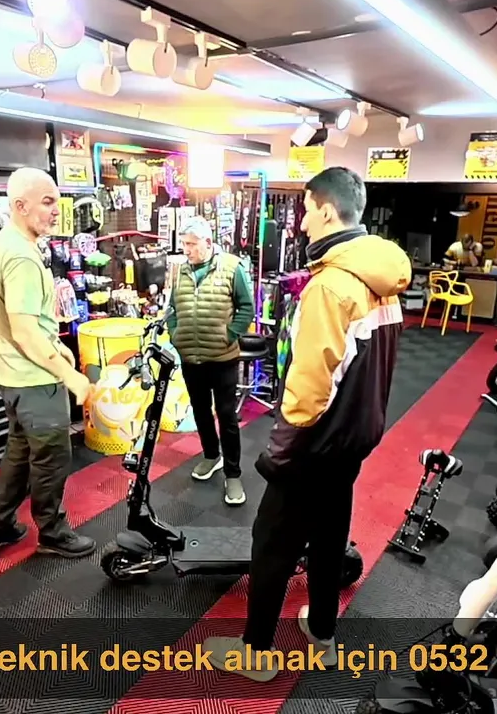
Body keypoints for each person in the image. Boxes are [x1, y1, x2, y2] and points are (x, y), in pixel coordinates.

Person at [204, 167, 411, 681]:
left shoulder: (331, 287)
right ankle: (322, 630)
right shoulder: (384, 281)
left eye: (305, 210)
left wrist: (281, 448)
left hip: (315, 443)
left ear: (327, 211)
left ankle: (256, 654)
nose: (299, 223)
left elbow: (310, 387)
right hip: (355, 437)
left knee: (272, 542)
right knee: (330, 533)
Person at [0, 167, 96, 559]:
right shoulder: (21, 256)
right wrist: (71, 377)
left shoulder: (6, 242)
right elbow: (26, 332)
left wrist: (55, 345)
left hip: (10, 373)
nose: (56, 210)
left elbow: (24, 321)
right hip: (33, 378)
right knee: (51, 458)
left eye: (56, 201)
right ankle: (52, 533)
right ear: (20, 205)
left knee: (20, 452)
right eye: (47, 202)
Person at [166, 217, 256, 505]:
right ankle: (211, 455)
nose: (186, 250)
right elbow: (172, 309)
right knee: (201, 411)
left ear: (207, 241)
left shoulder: (232, 267)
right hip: (191, 358)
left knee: (227, 416)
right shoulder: (179, 271)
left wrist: (229, 335)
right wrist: (175, 334)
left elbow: (246, 307)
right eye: (184, 244)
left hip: (222, 358)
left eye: (191, 244)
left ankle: (233, 474)